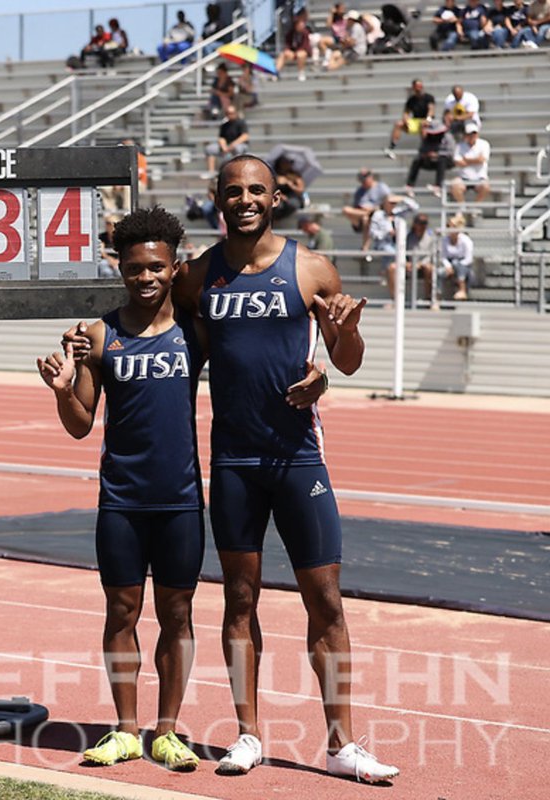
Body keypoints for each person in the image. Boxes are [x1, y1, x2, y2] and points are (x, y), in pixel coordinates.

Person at [65, 156, 400, 782]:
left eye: (256, 191)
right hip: (234, 464)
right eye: (233, 192)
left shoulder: (312, 267)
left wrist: (333, 358)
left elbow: (347, 360)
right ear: (217, 199)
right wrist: (87, 354)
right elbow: (153, 319)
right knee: (239, 599)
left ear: (277, 196)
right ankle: (247, 734)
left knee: (325, 600)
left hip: (300, 458)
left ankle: (341, 743)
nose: (245, 200)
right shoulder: (196, 277)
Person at [38, 207, 205, 771]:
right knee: (122, 611)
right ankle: (127, 729)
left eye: (156, 267)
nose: (146, 278)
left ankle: (168, 730)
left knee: (178, 613)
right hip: (123, 501)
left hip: (181, 498)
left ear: (173, 267)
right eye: (135, 269)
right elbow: (82, 422)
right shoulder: (98, 334)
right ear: (121, 271)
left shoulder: (195, 329)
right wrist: (63, 389)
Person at [390, 212, 439, 302]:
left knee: (429, 268)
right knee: (392, 268)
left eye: (424, 223)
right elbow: (402, 251)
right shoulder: (408, 237)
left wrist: (419, 264)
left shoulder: (431, 237)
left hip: (423, 267)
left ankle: (429, 298)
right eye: (419, 222)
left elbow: (431, 255)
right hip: (408, 266)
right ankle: (395, 299)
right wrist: (406, 263)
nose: (421, 226)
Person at [385, 79, 437, 159]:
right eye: (417, 87)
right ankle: (391, 147)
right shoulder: (411, 100)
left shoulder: (429, 97)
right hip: (416, 121)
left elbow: (431, 110)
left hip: (428, 121)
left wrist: (428, 119)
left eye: (420, 86)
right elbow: (406, 112)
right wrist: (405, 119)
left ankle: (426, 149)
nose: (419, 88)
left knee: (423, 125)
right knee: (399, 124)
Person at [405, 116, 456, 197]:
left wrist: (437, 155)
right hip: (430, 161)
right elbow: (422, 151)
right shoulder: (427, 138)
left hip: (446, 161)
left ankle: (438, 186)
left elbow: (451, 152)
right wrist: (427, 155)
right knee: (417, 160)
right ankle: (410, 185)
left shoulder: (448, 137)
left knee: (442, 160)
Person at [341, 168, 391, 247]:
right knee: (346, 210)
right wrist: (365, 210)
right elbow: (356, 207)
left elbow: (390, 201)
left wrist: (375, 208)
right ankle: (368, 213)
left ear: (371, 177)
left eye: (364, 180)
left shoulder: (381, 187)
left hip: (377, 215)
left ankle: (365, 248)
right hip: (361, 215)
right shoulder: (360, 190)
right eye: (361, 181)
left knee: (366, 219)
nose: (363, 183)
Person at [448, 122, 491, 202]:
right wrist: (476, 160)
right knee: (454, 185)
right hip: (464, 178)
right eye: (470, 134)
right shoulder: (459, 146)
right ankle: (462, 207)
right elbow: (458, 162)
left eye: (474, 133)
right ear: (466, 135)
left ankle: (475, 207)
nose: (472, 136)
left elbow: (482, 160)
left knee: (486, 187)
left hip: (480, 178)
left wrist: (466, 159)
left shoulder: (484, 144)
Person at [204, 105, 250, 177]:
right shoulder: (224, 125)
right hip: (227, 146)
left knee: (238, 149)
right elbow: (221, 138)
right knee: (209, 149)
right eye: (228, 113)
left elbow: (245, 136)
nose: (230, 115)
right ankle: (211, 171)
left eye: (232, 113)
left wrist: (232, 145)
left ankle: (238, 171)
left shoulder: (241, 123)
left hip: (238, 145)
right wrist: (224, 146)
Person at [442, 213, 475, 299]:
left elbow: (469, 259)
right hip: (449, 265)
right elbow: (443, 256)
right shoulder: (445, 240)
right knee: (439, 273)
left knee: (457, 263)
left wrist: (456, 265)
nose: (449, 229)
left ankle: (462, 290)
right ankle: (436, 298)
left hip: (464, 266)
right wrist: (448, 266)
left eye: (452, 226)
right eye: (448, 226)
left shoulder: (466, 240)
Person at [276, 9, 313, 81]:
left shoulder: (305, 33)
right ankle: (275, 72)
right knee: (283, 54)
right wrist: (288, 51)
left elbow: (305, 46)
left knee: (301, 54)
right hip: (293, 52)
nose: (301, 26)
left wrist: (296, 52)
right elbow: (288, 44)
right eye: (299, 24)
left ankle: (301, 73)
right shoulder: (291, 33)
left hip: (303, 52)